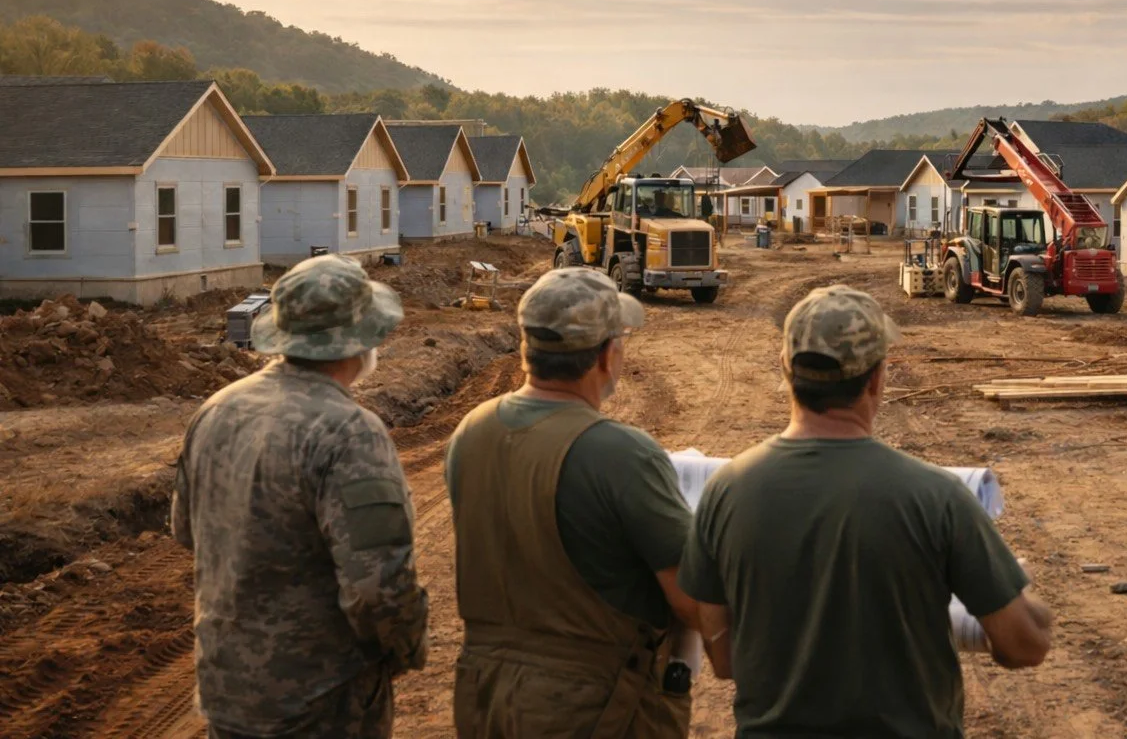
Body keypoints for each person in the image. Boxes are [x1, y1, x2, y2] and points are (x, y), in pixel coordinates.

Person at [679, 284, 1053, 738]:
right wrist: (1023, 592)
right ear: (877, 378)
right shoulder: (938, 497)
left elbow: (724, 660)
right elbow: (1024, 647)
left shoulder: (724, 492)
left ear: (785, 368)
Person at [171, 254, 427, 739]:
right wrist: (408, 648)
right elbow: (380, 588)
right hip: (322, 704)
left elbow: (188, 531)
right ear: (363, 339)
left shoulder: (216, 410)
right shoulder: (350, 432)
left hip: (229, 694)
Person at [446, 267, 708, 738]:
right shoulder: (622, 453)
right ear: (607, 355)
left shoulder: (472, 431)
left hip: (485, 696)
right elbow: (692, 602)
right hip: (595, 707)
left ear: (527, 347)